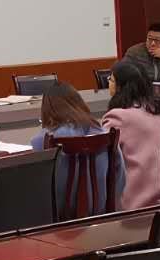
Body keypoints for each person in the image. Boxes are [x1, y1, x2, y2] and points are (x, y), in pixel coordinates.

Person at [31, 81, 124, 216]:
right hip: (101, 213)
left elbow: (38, 190)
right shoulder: (104, 134)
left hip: (60, 219)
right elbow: (120, 179)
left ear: (47, 110)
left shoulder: (41, 140)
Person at [100, 60, 160, 210]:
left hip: (134, 206)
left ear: (120, 87)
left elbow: (102, 163)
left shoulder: (117, 118)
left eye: (111, 79)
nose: (109, 83)